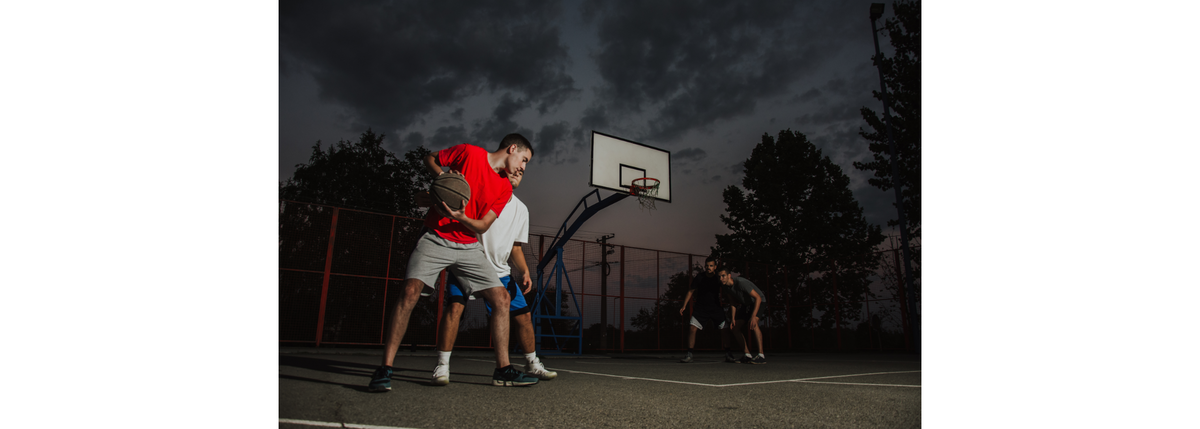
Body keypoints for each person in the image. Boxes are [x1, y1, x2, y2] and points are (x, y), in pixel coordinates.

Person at [369, 133, 537, 392]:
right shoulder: (469, 153)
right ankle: (384, 369)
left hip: (469, 245)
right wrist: (441, 180)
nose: (523, 167)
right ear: (512, 148)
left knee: (502, 299)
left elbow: (482, 225)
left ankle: (503, 370)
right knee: (410, 291)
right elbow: (431, 158)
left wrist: (461, 217)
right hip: (435, 237)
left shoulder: (503, 187)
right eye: (524, 159)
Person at [430, 170, 557, 386]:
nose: (518, 172)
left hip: (501, 273)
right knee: (455, 309)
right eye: (514, 168)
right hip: (467, 266)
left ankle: (532, 363)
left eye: (522, 171)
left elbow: (515, 246)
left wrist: (524, 270)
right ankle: (442, 366)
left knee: (524, 317)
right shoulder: (478, 195)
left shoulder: (520, 209)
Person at [677, 256, 736, 363]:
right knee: (692, 328)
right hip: (701, 308)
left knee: (725, 330)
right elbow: (691, 291)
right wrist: (684, 305)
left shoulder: (718, 278)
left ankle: (728, 354)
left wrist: (733, 304)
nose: (708, 267)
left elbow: (727, 292)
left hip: (716, 308)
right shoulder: (700, 277)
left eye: (711, 266)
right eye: (707, 265)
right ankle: (689, 354)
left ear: (715, 267)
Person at [719, 268, 767, 364]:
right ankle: (747, 355)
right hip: (747, 305)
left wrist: (753, 316)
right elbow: (732, 303)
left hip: (759, 301)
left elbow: (757, 297)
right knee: (735, 328)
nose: (721, 278)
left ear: (729, 276)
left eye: (723, 276)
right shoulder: (725, 287)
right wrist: (733, 318)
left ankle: (761, 355)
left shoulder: (740, 282)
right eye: (719, 276)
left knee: (754, 323)